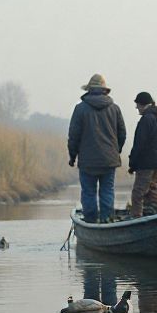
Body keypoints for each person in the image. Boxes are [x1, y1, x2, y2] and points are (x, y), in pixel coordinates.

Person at [67, 73, 126, 223]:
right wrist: (115, 151)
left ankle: (90, 221)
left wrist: (72, 156)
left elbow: (74, 135)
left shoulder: (80, 109)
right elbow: (122, 134)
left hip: (87, 161)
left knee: (88, 192)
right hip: (109, 160)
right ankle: (107, 220)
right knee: (107, 191)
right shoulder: (115, 109)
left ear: (89, 90)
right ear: (105, 90)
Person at [127, 91, 157, 217]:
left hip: (146, 164)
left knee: (138, 194)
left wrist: (132, 164)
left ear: (142, 104)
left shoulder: (146, 119)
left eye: (137, 105)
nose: (136, 108)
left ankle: (136, 220)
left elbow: (139, 145)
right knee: (152, 191)